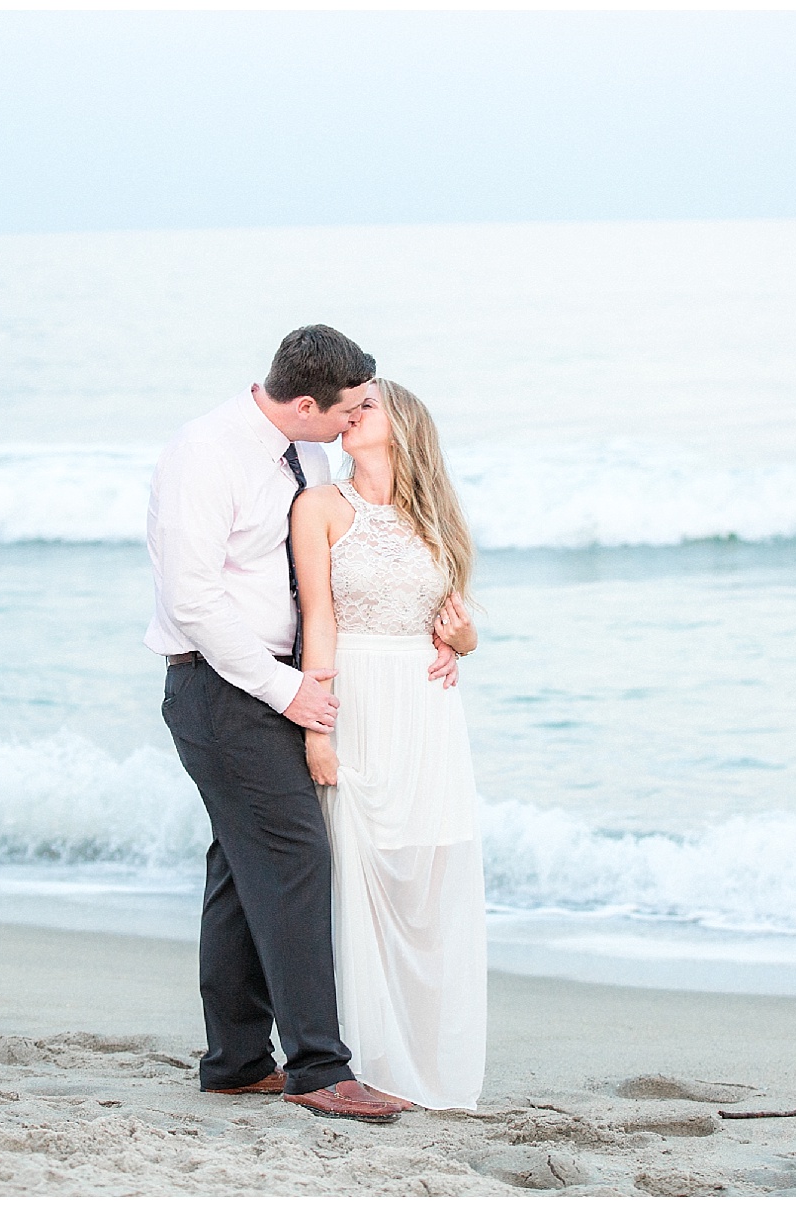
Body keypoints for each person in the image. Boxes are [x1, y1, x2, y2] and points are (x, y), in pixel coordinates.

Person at [144, 326, 458, 1123]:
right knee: (295, 858)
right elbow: (192, 600)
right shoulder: (205, 452)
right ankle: (318, 1066)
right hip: (222, 688)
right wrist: (285, 692)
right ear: (308, 403)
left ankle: (236, 1060)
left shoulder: (306, 454)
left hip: (278, 684)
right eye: (349, 406)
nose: (358, 417)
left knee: (239, 870)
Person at [288, 378, 486, 1110]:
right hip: (360, 701)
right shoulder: (321, 507)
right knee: (360, 879)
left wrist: (464, 638)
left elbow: (458, 624)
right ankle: (368, 1061)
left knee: (427, 879)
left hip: (429, 712)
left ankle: (429, 1062)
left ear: (401, 425)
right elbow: (320, 623)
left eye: (364, 405)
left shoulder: (434, 517)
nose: (349, 415)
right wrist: (318, 728)